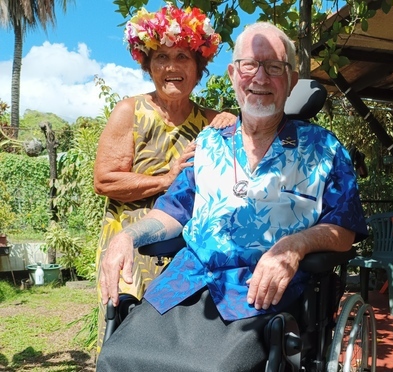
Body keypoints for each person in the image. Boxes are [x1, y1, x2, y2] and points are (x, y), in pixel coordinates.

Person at [97, 21, 368, 372]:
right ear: (232, 73)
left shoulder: (323, 148)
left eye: (274, 67)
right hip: (183, 286)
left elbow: (343, 229)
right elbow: (174, 210)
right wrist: (127, 236)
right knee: (117, 357)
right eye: (249, 65)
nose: (260, 78)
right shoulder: (208, 144)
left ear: (291, 78)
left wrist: (294, 246)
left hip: (259, 295)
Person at [93, 5, 235, 354]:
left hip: (188, 246)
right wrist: (167, 179)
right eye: (161, 57)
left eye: (182, 56)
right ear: (148, 64)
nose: (171, 67)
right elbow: (104, 181)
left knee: (178, 342)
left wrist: (232, 118)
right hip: (131, 242)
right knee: (126, 336)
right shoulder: (130, 111)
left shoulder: (212, 120)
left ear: (198, 67)